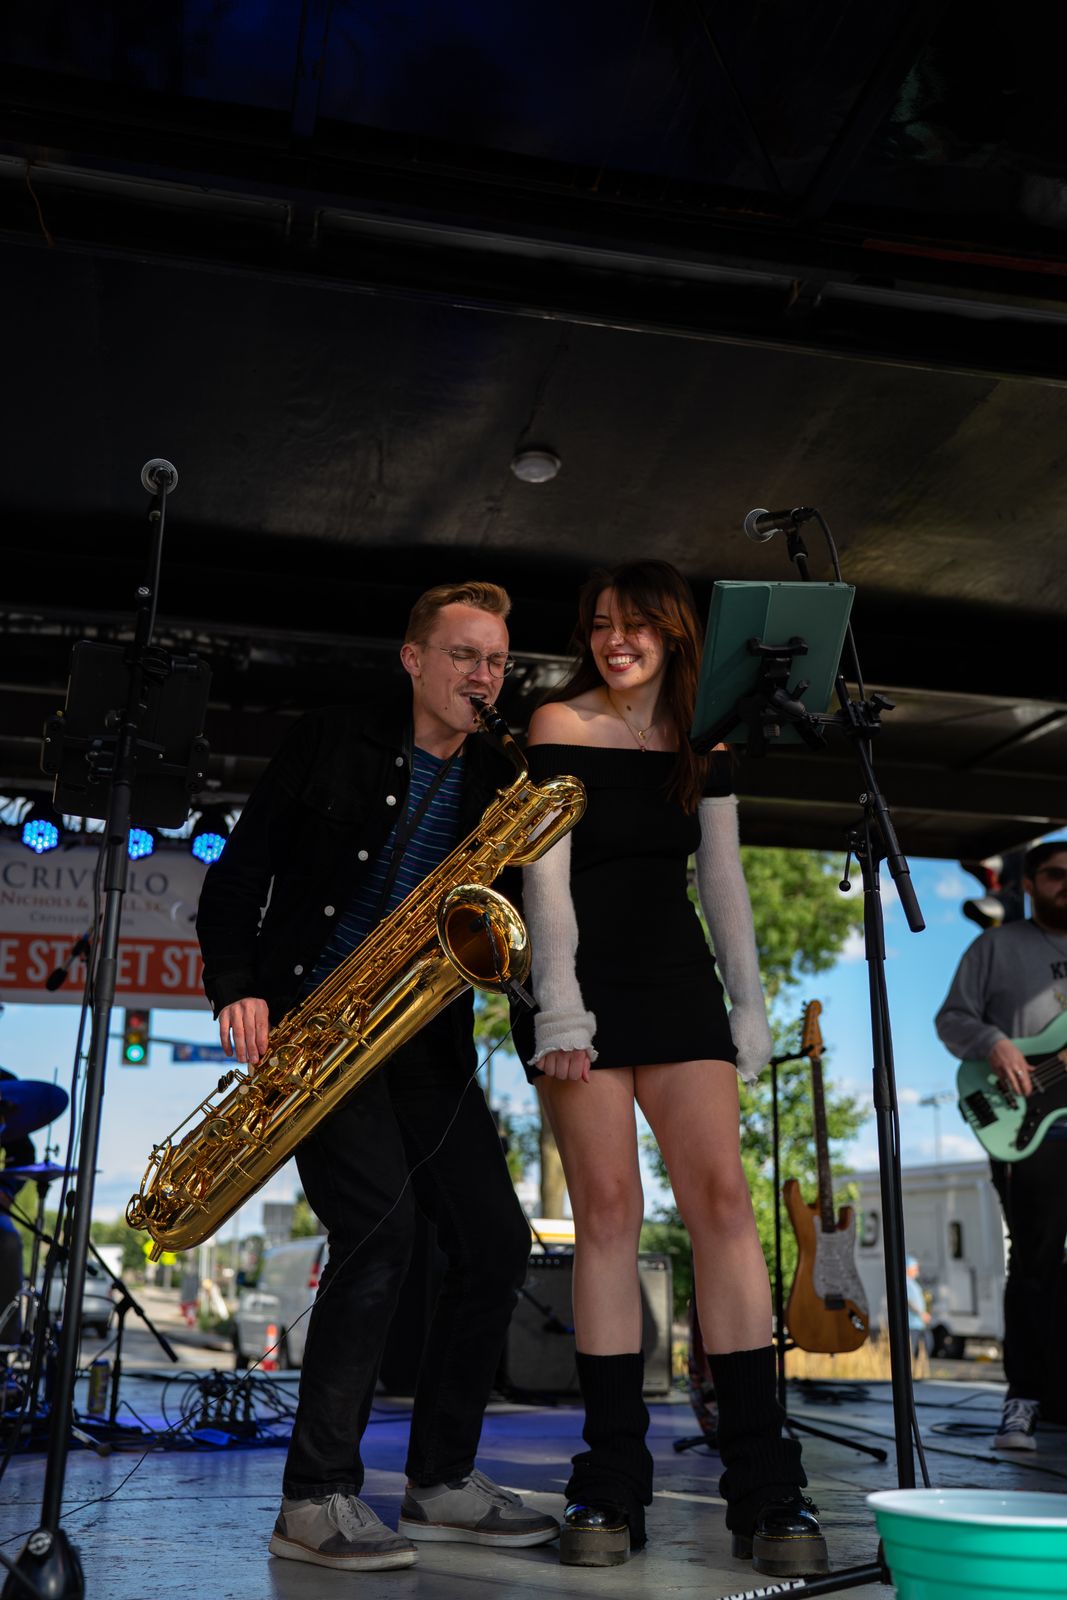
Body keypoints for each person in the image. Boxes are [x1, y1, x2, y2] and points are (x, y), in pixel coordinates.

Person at [195, 580, 558, 1572]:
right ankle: (313, 1498)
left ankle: (441, 1482)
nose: (482, 677)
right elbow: (237, 878)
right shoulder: (331, 737)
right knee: (381, 1233)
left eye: (495, 661)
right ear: (413, 658)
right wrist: (238, 986)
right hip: (318, 1029)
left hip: (425, 1039)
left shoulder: (500, 777)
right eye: (462, 655)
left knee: (494, 1240)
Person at [512, 560, 827, 1577]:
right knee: (608, 1213)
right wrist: (558, 1001)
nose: (616, 640)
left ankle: (763, 1479)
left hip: (675, 977)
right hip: (579, 981)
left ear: (676, 633)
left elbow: (721, 877)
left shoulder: (703, 738)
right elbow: (542, 875)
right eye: (601, 623)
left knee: (724, 1206)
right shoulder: (557, 723)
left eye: (637, 624)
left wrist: (747, 1005)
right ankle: (611, 1475)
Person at [935, 839, 1067, 1453]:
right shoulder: (995, 947)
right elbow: (951, 1019)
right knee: (1035, 1262)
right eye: (1056, 874)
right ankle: (1024, 1401)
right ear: (1028, 884)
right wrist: (994, 1042)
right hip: (1027, 1125)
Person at [905, 1255, 930, 1362]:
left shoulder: (913, 1283)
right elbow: (910, 1302)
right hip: (912, 1323)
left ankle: (919, 1366)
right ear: (907, 1268)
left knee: (927, 1345)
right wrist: (921, 1313)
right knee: (912, 1349)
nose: (917, 1270)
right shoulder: (906, 1283)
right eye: (914, 1268)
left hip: (919, 1323)